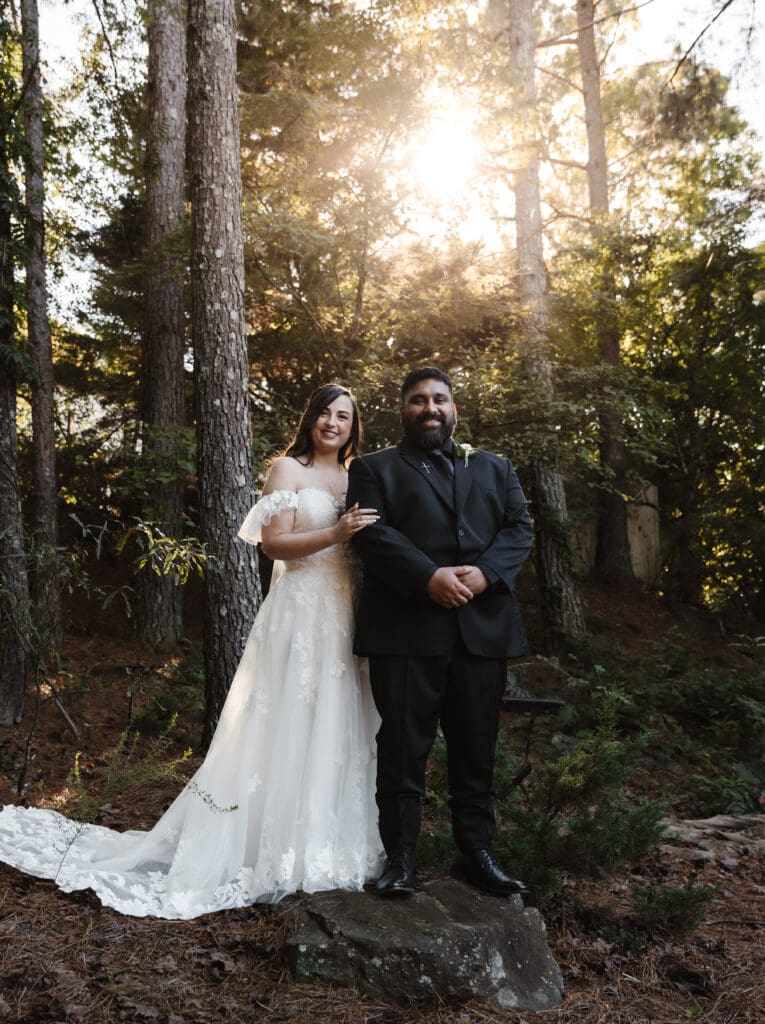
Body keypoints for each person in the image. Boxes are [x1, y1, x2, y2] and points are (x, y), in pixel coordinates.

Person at [0, 384, 384, 919]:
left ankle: (327, 847)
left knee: (336, 723)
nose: (332, 423)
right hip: (300, 614)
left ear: (353, 425)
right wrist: (336, 532)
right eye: (324, 412)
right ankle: (269, 849)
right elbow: (274, 545)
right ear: (311, 418)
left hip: (345, 615)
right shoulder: (287, 471)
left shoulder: (356, 475)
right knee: (291, 722)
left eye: (343, 416)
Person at [347, 367, 534, 897]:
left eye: (439, 399)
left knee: (477, 748)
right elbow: (372, 534)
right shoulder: (373, 468)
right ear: (402, 409)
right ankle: (399, 858)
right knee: (403, 749)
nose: (430, 408)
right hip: (405, 632)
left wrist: (487, 573)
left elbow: (519, 528)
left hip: (482, 633)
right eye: (418, 401)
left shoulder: (496, 468)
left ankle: (475, 853)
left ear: (454, 408)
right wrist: (427, 576)